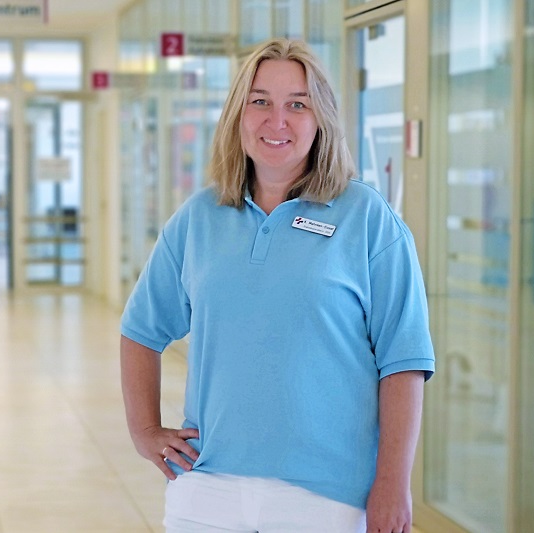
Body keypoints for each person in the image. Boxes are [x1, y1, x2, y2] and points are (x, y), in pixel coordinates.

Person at [120, 37, 435, 533]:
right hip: (205, 489)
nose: (277, 120)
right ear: (238, 114)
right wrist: (144, 431)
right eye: (260, 101)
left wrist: (393, 482)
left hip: (326, 497)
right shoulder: (199, 218)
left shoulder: (369, 220)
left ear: (321, 119)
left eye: (297, 105)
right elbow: (140, 330)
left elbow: (404, 362)